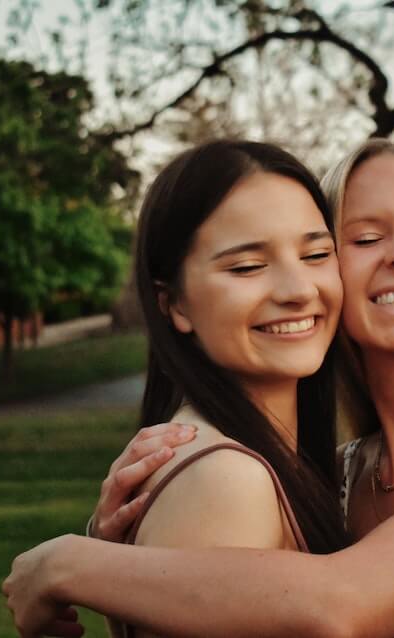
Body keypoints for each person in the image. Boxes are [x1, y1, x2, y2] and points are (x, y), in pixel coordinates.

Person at [4, 140, 394, 638]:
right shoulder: (336, 481)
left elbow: (342, 606)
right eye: (364, 238)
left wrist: (68, 564)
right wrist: (109, 536)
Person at [43, 139, 349, 638]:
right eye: (247, 266)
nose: (298, 290)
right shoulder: (227, 480)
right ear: (174, 305)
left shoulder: (271, 459)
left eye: (316, 253)